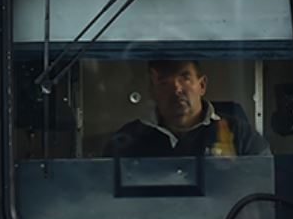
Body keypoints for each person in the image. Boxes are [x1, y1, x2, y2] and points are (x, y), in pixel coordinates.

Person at [105, 59, 269, 157]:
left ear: (202, 85)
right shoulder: (126, 141)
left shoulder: (241, 136)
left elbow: (263, 195)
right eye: (164, 82)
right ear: (152, 91)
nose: (176, 88)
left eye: (185, 77)